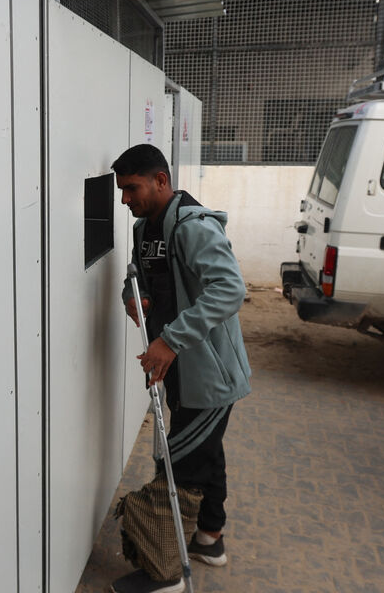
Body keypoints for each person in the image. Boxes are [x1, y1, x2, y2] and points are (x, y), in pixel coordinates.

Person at [110, 143, 252, 593]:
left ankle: (164, 574)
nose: (124, 199)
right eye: (121, 190)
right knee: (205, 454)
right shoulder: (144, 228)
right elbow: (141, 275)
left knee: (179, 465)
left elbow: (230, 289)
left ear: (161, 181)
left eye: (131, 188)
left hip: (208, 377)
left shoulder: (192, 227)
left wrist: (169, 341)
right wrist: (134, 297)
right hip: (182, 374)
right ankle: (209, 538)